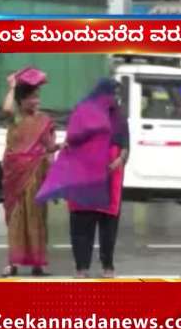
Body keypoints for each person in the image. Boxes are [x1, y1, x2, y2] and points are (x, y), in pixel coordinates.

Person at [36, 79, 129, 278]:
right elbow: (73, 139)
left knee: (108, 226)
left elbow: (125, 145)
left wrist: (119, 160)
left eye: (117, 95)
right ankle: (81, 267)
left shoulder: (119, 117)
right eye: (113, 93)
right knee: (81, 225)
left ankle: (108, 266)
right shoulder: (83, 111)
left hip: (110, 178)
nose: (115, 98)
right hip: (85, 176)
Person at [0, 68, 61, 277]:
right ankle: (13, 264)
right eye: (33, 97)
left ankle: (38, 264)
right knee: (16, 219)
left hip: (36, 176)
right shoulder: (16, 117)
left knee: (36, 219)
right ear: (22, 101)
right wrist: (13, 86)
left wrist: (62, 146)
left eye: (38, 97)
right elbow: (7, 108)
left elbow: (50, 148)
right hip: (14, 176)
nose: (37, 101)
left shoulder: (44, 121)